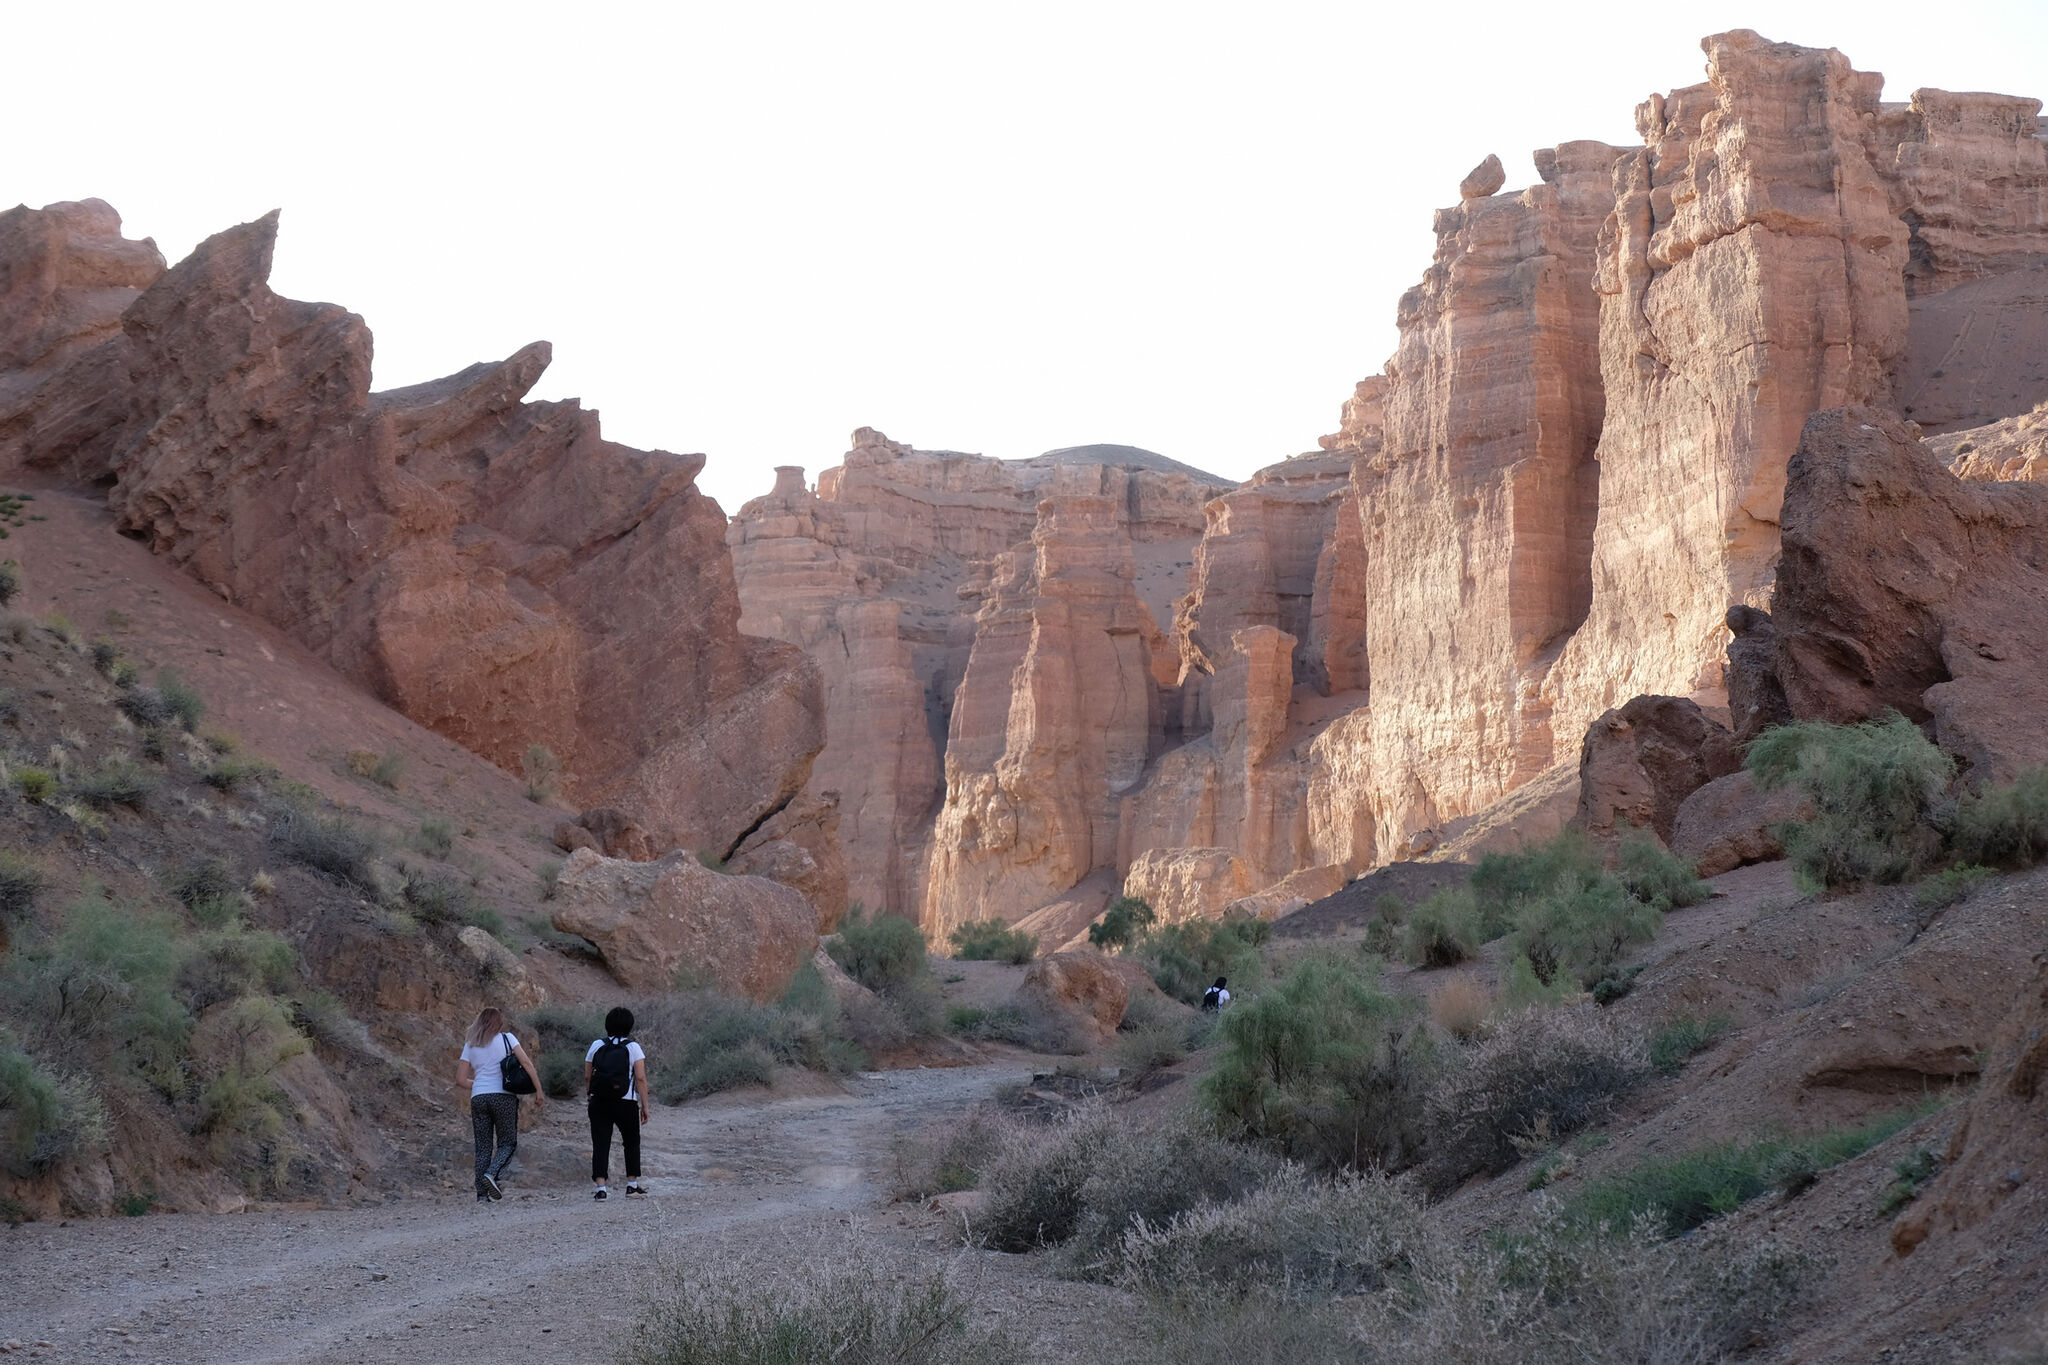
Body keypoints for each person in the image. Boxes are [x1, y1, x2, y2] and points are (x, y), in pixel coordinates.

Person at [455, 1007, 544, 1203]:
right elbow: (527, 1064)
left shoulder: (470, 1044)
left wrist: (479, 1084)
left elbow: (460, 1080)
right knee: (507, 1143)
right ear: (499, 1023)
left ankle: (481, 1196)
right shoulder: (508, 1039)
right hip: (503, 1097)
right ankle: (492, 1174)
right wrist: (538, 1089)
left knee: (483, 1147)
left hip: (478, 1098)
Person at [584, 1006, 651, 1201]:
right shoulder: (633, 1047)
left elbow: (588, 1075)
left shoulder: (596, 1045)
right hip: (626, 1102)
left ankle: (601, 1189)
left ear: (607, 1025)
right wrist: (644, 1105)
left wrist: (590, 1095)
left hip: (599, 1101)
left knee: (600, 1143)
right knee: (631, 1142)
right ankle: (632, 1186)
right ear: (630, 1026)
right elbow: (640, 1078)